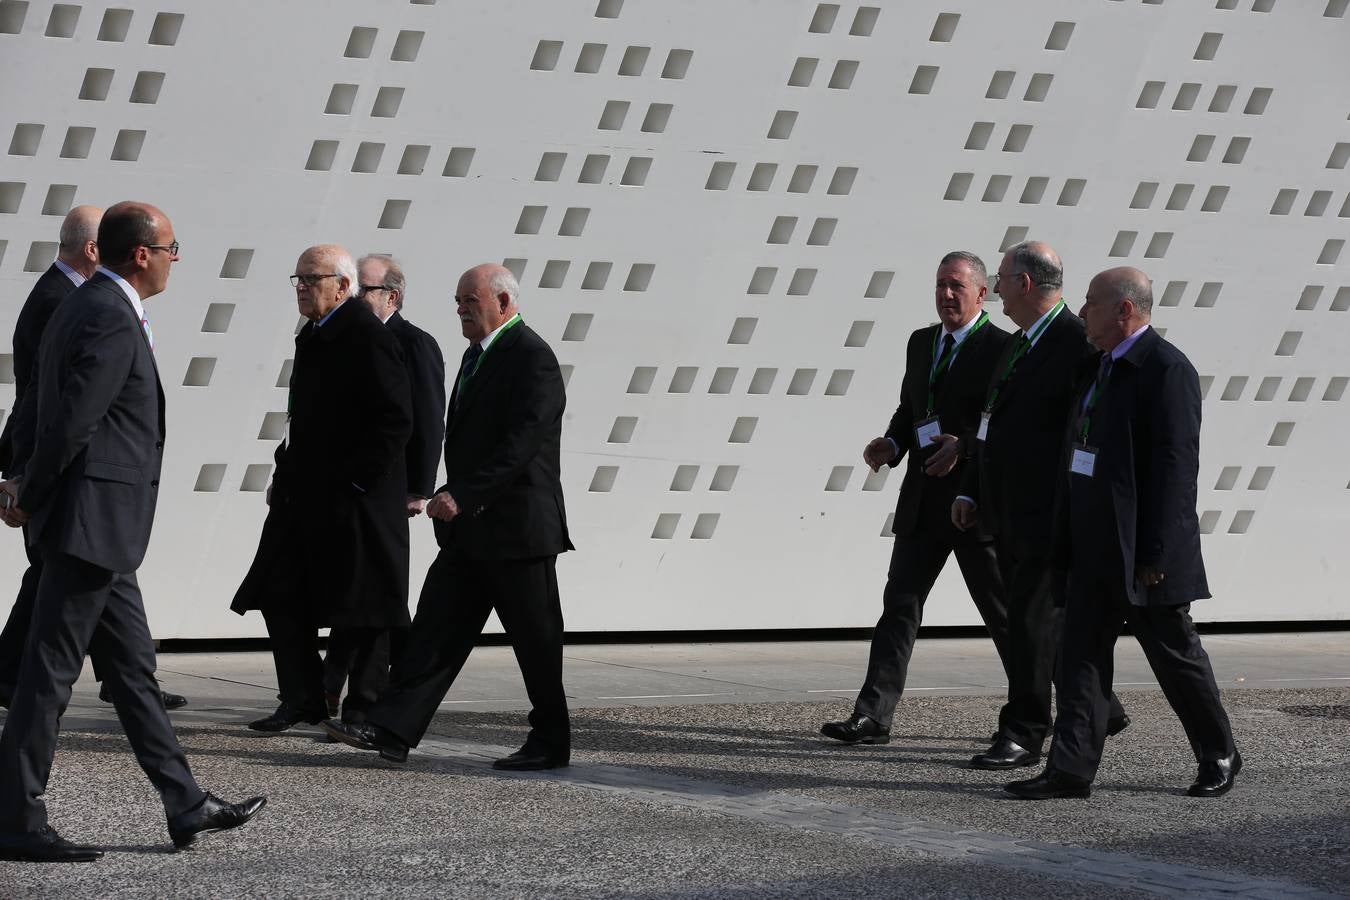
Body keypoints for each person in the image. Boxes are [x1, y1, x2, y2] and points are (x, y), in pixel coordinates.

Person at [0, 202, 264, 862]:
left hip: (101, 532)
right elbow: (72, 422)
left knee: (134, 675)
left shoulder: (84, 302)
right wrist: (30, 494)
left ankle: (185, 802)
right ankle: (15, 818)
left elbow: (42, 401)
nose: (177, 260)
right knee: (48, 678)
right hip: (90, 524)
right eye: (173, 248)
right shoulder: (110, 315)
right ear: (141, 254)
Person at [325, 262, 574, 771]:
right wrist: (448, 495)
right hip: (470, 531)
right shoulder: (477, 355)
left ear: (504, 303)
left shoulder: (532, 358)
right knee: (434, 631)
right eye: (458, 300)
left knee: (536, 641)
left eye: (470, 300)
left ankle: (551, 738)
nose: (460, 308)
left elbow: (521, 446)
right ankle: (392, 729)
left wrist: (463, 494)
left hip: (518, 531)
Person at [1007, 266, 1240, 800]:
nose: (1082, 311)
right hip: (1091, 542)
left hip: (1143, 551)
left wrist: (1156, 550)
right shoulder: (1097, 367)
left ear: (1124, 310)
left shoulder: (1165, 369)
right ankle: (1070, 769)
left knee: (1174, 657)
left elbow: (1177, 469)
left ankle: (1219, 751)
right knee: (1080, 657)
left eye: (1091, 302)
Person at [820, 252, 1013, 746]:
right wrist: (893, 442)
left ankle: (1069, 708)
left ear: (981, 293)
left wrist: (964, 447)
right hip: (923, 498)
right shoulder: (921, 342)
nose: (946, 295)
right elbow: (912, 407)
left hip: (972, 501)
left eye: (956, 287)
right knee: (899, 606)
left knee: (1004, 612)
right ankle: (873, 716)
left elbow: (1006, 421)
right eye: (940, 285)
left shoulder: (1002, 348)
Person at [0, 206, 185, 713]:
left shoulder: (73, 300)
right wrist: (26, 484)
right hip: (82, 496)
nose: (175, 259)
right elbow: (59, 408)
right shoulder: (87, 306)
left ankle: (179, 786)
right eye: (172, 249)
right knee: (50, 664)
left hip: (80, 499)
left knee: (63, 646)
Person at [952, 242, 1127, 770]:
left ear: (1026, 284)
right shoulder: (1020, 343)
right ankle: (1101, 710)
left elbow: (1085, 431)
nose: (998, 288)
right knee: (1035, 623)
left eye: (1002, 278)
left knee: (1030, 624)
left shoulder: (1075, 344)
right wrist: (971, 489)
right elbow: (992, 420)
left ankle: (1026, 730)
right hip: (1009, 511)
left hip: (1048, 513)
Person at [231, 245, 413, 732]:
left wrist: (357, 481)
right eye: (299, 278)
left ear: (344, 286)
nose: (302, 287)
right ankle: (303, 698)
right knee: (279, 591)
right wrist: (283, 471)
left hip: (354, 502)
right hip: (303, 495)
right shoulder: (313, 334)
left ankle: (363, 708)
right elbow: (302, 417)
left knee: (366, 605)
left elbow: (396, 420)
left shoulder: (366, 336)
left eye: (312, 278)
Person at [322, 254, 446, 717]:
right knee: (356, 591)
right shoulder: (352, 340)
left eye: (363, 290)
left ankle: (364, 695)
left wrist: (419, 488)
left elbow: (428, 419)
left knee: (377, 596)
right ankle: (331, 684)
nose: (353, 298)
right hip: (353, 491)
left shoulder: (414, 343)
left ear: (391, 296)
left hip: (391, 491)